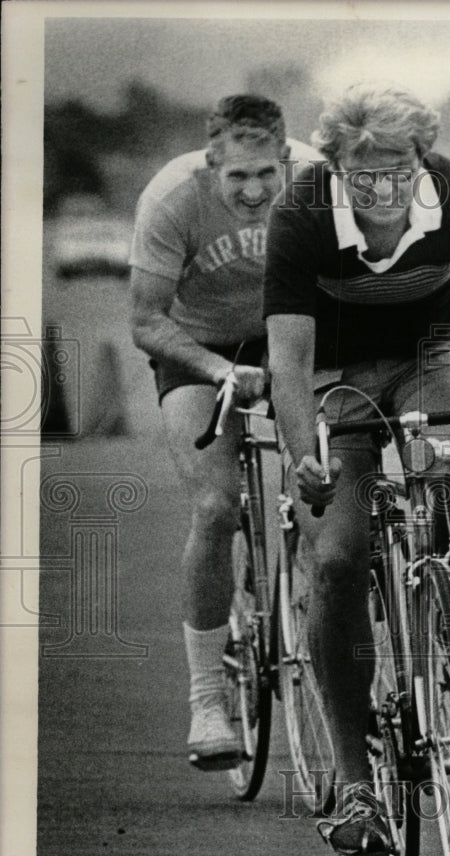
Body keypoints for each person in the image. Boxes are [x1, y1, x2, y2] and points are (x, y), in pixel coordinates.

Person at [264, 82, 450, 856]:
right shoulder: (301, 213)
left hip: (425, 357)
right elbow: (287, 357)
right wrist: (301, 455)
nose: (381, 186)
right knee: (337, 561)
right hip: (333, 373)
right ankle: (355, 786)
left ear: (421, 158)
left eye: (397, 167)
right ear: (336, 164)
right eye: (362, 171)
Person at [130, 95, 318, 770]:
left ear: (286, 156)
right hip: (199, 348)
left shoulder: (318, 185)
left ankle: (324, 616)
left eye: (265, 173)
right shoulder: (172, 199)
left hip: (291, 343)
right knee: (214, 509)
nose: (253, 190)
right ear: (211, 161)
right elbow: (146, 320)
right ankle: (207, 700)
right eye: (236, 176)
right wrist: (218, 370)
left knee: (324, 490)